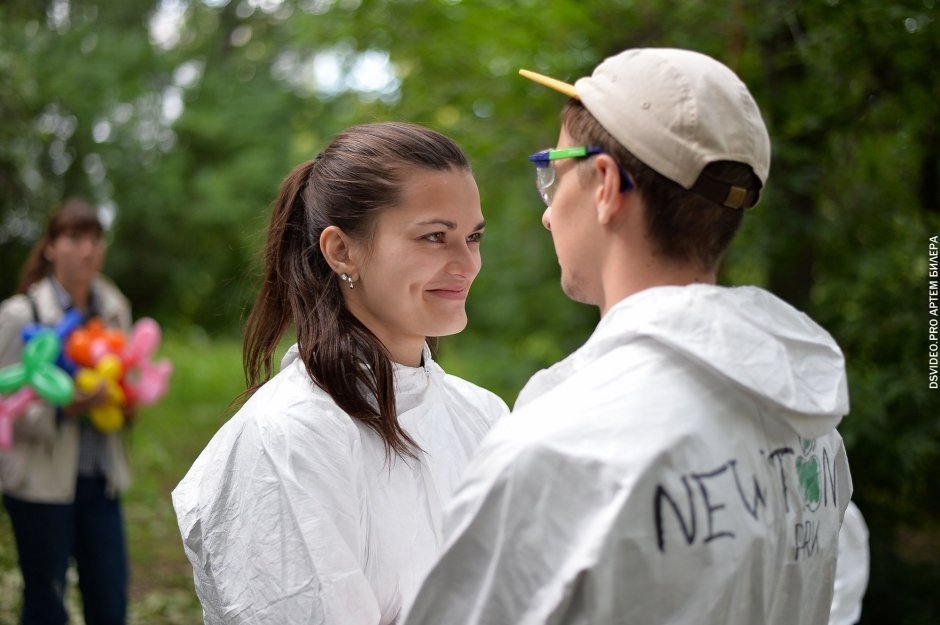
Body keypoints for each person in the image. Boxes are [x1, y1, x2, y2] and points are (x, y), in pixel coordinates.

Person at [404, 48, 854, 625]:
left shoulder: (564, 444)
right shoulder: (808, 425)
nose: (547, 213)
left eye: (554, 171)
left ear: (606, 186)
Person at [171, 121, 509, 624]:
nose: (466, 263)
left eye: (473, 236)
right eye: (435, 236)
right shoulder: (287, 438)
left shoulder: (484, 415)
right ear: (342, 250)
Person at [0, 197, 132, 625]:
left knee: (110, 600)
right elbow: (4, 402)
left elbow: (128, 378)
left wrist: (125, 403)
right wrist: (63, 408)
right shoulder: (22, 314)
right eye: (75, 237)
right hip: (39, 484)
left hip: (100, 478)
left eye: (95, 238)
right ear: (51, 247)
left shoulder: (115, 308)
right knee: (46, 601)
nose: (88, 249)